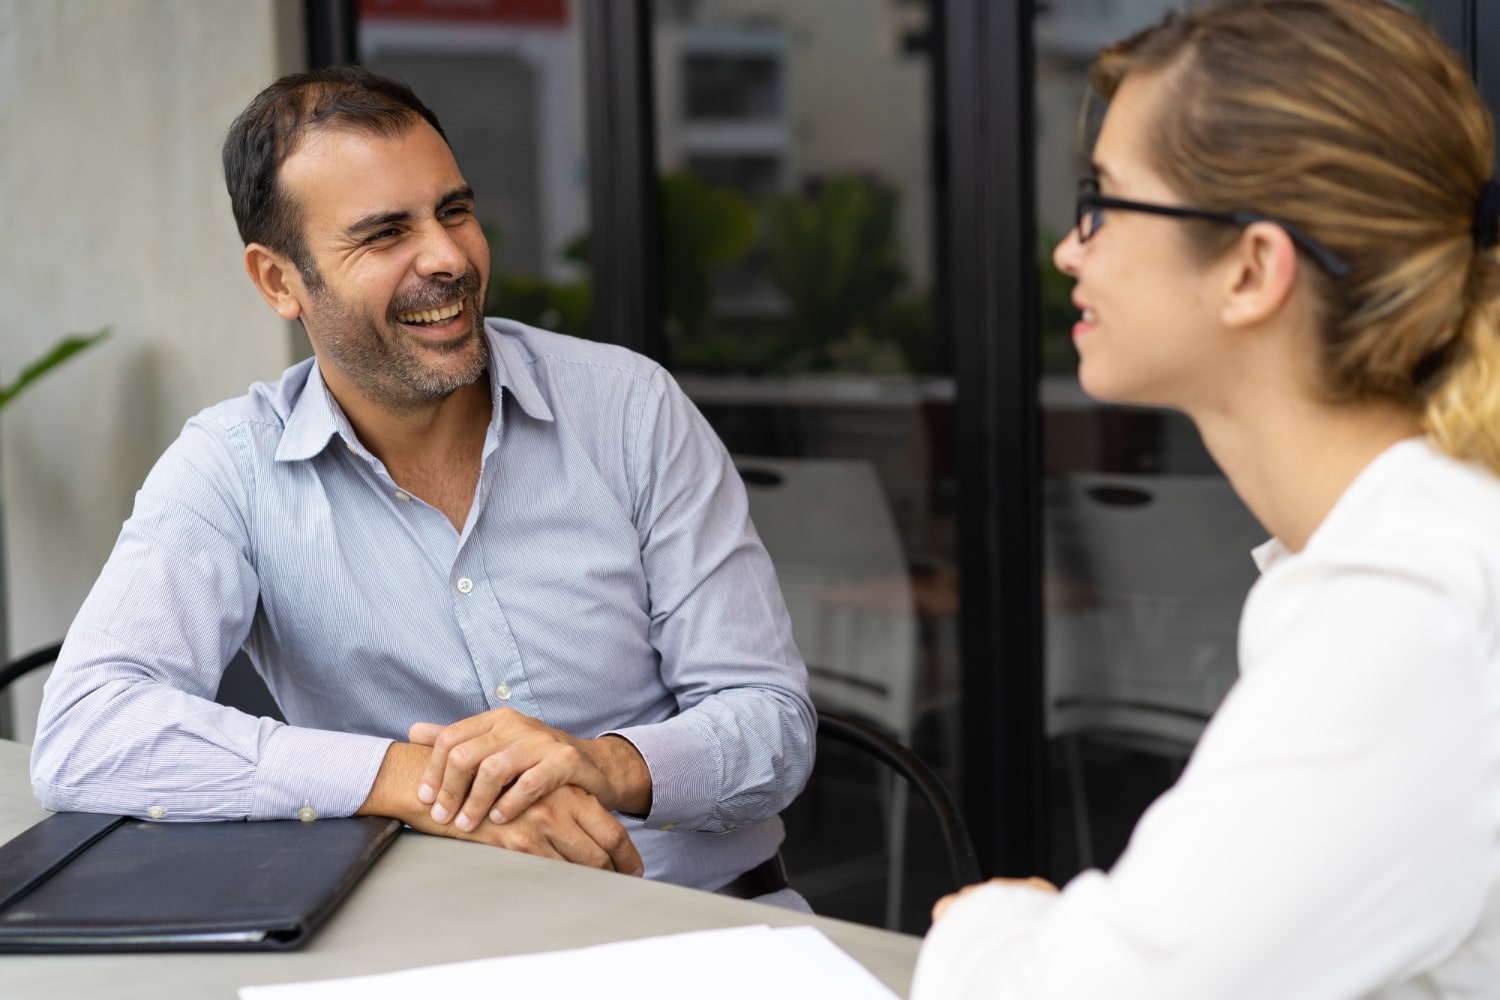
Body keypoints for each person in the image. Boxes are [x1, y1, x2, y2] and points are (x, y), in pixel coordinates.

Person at [29, 66, 815, 908]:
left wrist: (604, 763)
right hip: (424, 944)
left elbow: (771, 720)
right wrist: (416, 784)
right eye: (383, 234)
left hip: (703, 924)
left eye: (455, 211)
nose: (446, 258)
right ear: (278, 281)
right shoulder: (231, 465)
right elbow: (88, 733)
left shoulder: (630, 408)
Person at [912, 0, 1500, 995]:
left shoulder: (1411, 602)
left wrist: (995, 922)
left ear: (1251, 267)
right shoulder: (1414, 553)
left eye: (1104, 200)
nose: (1069, 249)